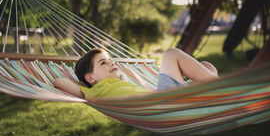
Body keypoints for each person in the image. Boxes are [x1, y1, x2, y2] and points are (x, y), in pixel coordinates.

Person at [53, 47, 219, 99]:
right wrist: (82, 84)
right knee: (171, 54)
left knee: (206, 66)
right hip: (162, 104)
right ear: (91, 78)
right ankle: (223, 89)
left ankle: (217, 91)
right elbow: (59, 82)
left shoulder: (119, 83)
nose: (111, 63)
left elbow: (123, 77)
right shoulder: (94, 91)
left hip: (164, 97)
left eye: (110, 59)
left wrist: (117, 73)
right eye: (103, 62)